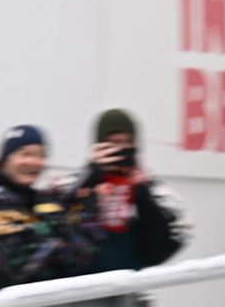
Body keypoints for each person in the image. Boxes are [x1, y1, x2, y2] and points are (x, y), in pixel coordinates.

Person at [52, 109, 187, 273]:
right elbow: (52, 226)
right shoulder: (72, 184)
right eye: (112, 143)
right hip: (81, 290)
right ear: (98, 145)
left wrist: (141, 193)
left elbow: (174, 239)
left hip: (130, 289)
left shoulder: (155, 190)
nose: (119, 150)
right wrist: (91, 177)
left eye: (126, 143)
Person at [0, 124, 106, 286]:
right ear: (6, 160)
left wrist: (85, 210)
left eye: (41, 155)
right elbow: (21, 265)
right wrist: (60, 225)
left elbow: (85, 256)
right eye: (25, 154)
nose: (34, 162)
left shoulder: (32, 200)